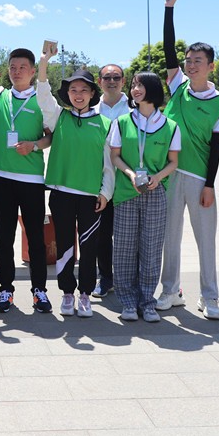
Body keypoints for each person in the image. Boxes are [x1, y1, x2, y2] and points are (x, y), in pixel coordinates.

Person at [0, 15, 53, 313]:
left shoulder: (42, 99)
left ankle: (39, 290)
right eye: (12, 67)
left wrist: (34, 145)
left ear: (32, 71)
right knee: (4, 239)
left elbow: (51, 137)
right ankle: (6, 290)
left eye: (22, 68)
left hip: (31, 180)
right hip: (2, 179)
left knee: (36, 239)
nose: (17, 72)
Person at [157, 0, 219, 320]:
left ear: (211, 66)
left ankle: (210, 297)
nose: (190, 64)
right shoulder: (177, 86)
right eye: (187, 60)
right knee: (169, 239)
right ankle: (170, 291)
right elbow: (168, 48)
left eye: (197, 61)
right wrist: (168, 7)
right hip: (170, 175)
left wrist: (210, 185)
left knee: (206, 241)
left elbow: (216, 148)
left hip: (200, 179)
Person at [36, 50, 114, 318]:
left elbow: (109, 165)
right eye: (73, 90)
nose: (78, 94)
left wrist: (105, 193)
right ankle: (67, 293)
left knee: (89, 247)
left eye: (83, 90)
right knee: (65, 245)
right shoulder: (59, 117)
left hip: (91, 197)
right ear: (67, 94)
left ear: (92, 94)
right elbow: (43, 95)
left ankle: (85, 294)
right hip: (62, 194)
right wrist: (43, 63)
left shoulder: (106, 124)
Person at [108, 72, 181, 322]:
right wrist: (130, 174)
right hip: (126, 193)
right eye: (133, 85)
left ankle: (147, 302)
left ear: (153, 89)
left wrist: (157, 177)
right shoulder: (122, 122)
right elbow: (115, 156)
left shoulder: (170, 126)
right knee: (124, 249)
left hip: (155, 192)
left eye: (140, 85)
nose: (135, 89)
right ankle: (128, 303)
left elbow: (173, 162)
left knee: (151, 249)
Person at [92, 63, 131, 298]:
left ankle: (129, 280)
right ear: (100, 82)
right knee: (102, 234)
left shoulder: (135, 107)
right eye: (107, 78)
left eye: (116, 77)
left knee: (129, 237)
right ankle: (105, 277)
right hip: (101, 182)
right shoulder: (92, 110)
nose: (112, 81)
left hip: (128, 181)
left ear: (124, 81)